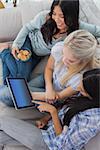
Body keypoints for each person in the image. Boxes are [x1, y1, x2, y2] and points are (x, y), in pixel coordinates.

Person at [0, 0, 100, 106]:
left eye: (62, 16)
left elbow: (59, 97)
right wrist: (16, 44)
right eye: (54, 14)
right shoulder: (57, 44)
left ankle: (4, 53)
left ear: (72, 16)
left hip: (47, 72)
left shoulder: (79, 78)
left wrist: (25, 94)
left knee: (11, 88)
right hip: (29, 47)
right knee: (18, 78)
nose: (57, 20)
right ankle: (5, 52)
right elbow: (27, 28)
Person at [0, 68, 99, 150]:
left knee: (2, 120)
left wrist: (53, 112)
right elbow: (65, 108)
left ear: (93, 93)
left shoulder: (91, 121)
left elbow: (62, 146)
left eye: (82, 89)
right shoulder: (86, 97)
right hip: (48, 127)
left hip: (50, 143)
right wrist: (46, 118)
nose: (77, 88)